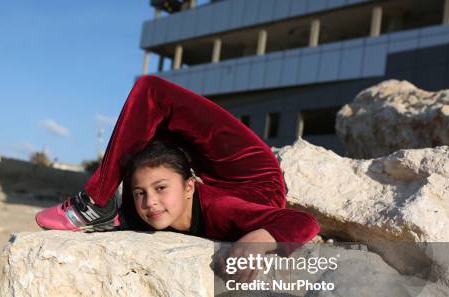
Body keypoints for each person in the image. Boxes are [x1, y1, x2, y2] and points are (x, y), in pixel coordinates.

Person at [36, 76, 320, 280]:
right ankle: (108, 202)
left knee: (150, 90)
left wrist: (255, 242)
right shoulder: (151, 207)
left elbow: (304, 222)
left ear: (189, 186)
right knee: (143, 145)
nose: (150, 202)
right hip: (221, 180)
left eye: (160, 188)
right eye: (139, 193)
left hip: (245, 165)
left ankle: (96, 200)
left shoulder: (220, 210)